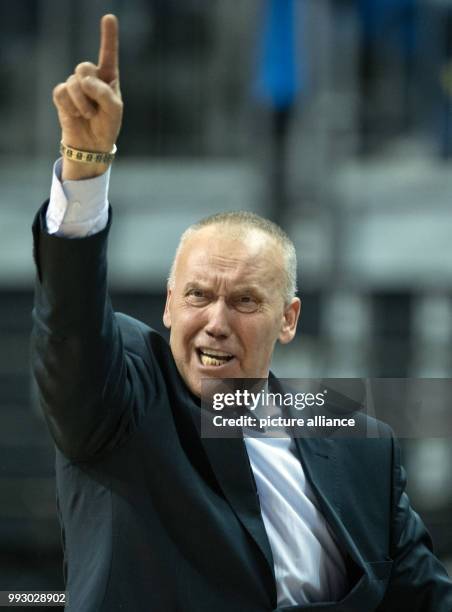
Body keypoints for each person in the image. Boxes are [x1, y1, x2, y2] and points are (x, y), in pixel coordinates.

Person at [30, 14, 452, 612]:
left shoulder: (359, 441)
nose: (217, 320)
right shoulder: (124, 392)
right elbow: (69, 329)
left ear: (289, 318)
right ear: (170, 305)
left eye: (246, 300)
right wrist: (85, 166)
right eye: (198, 295)